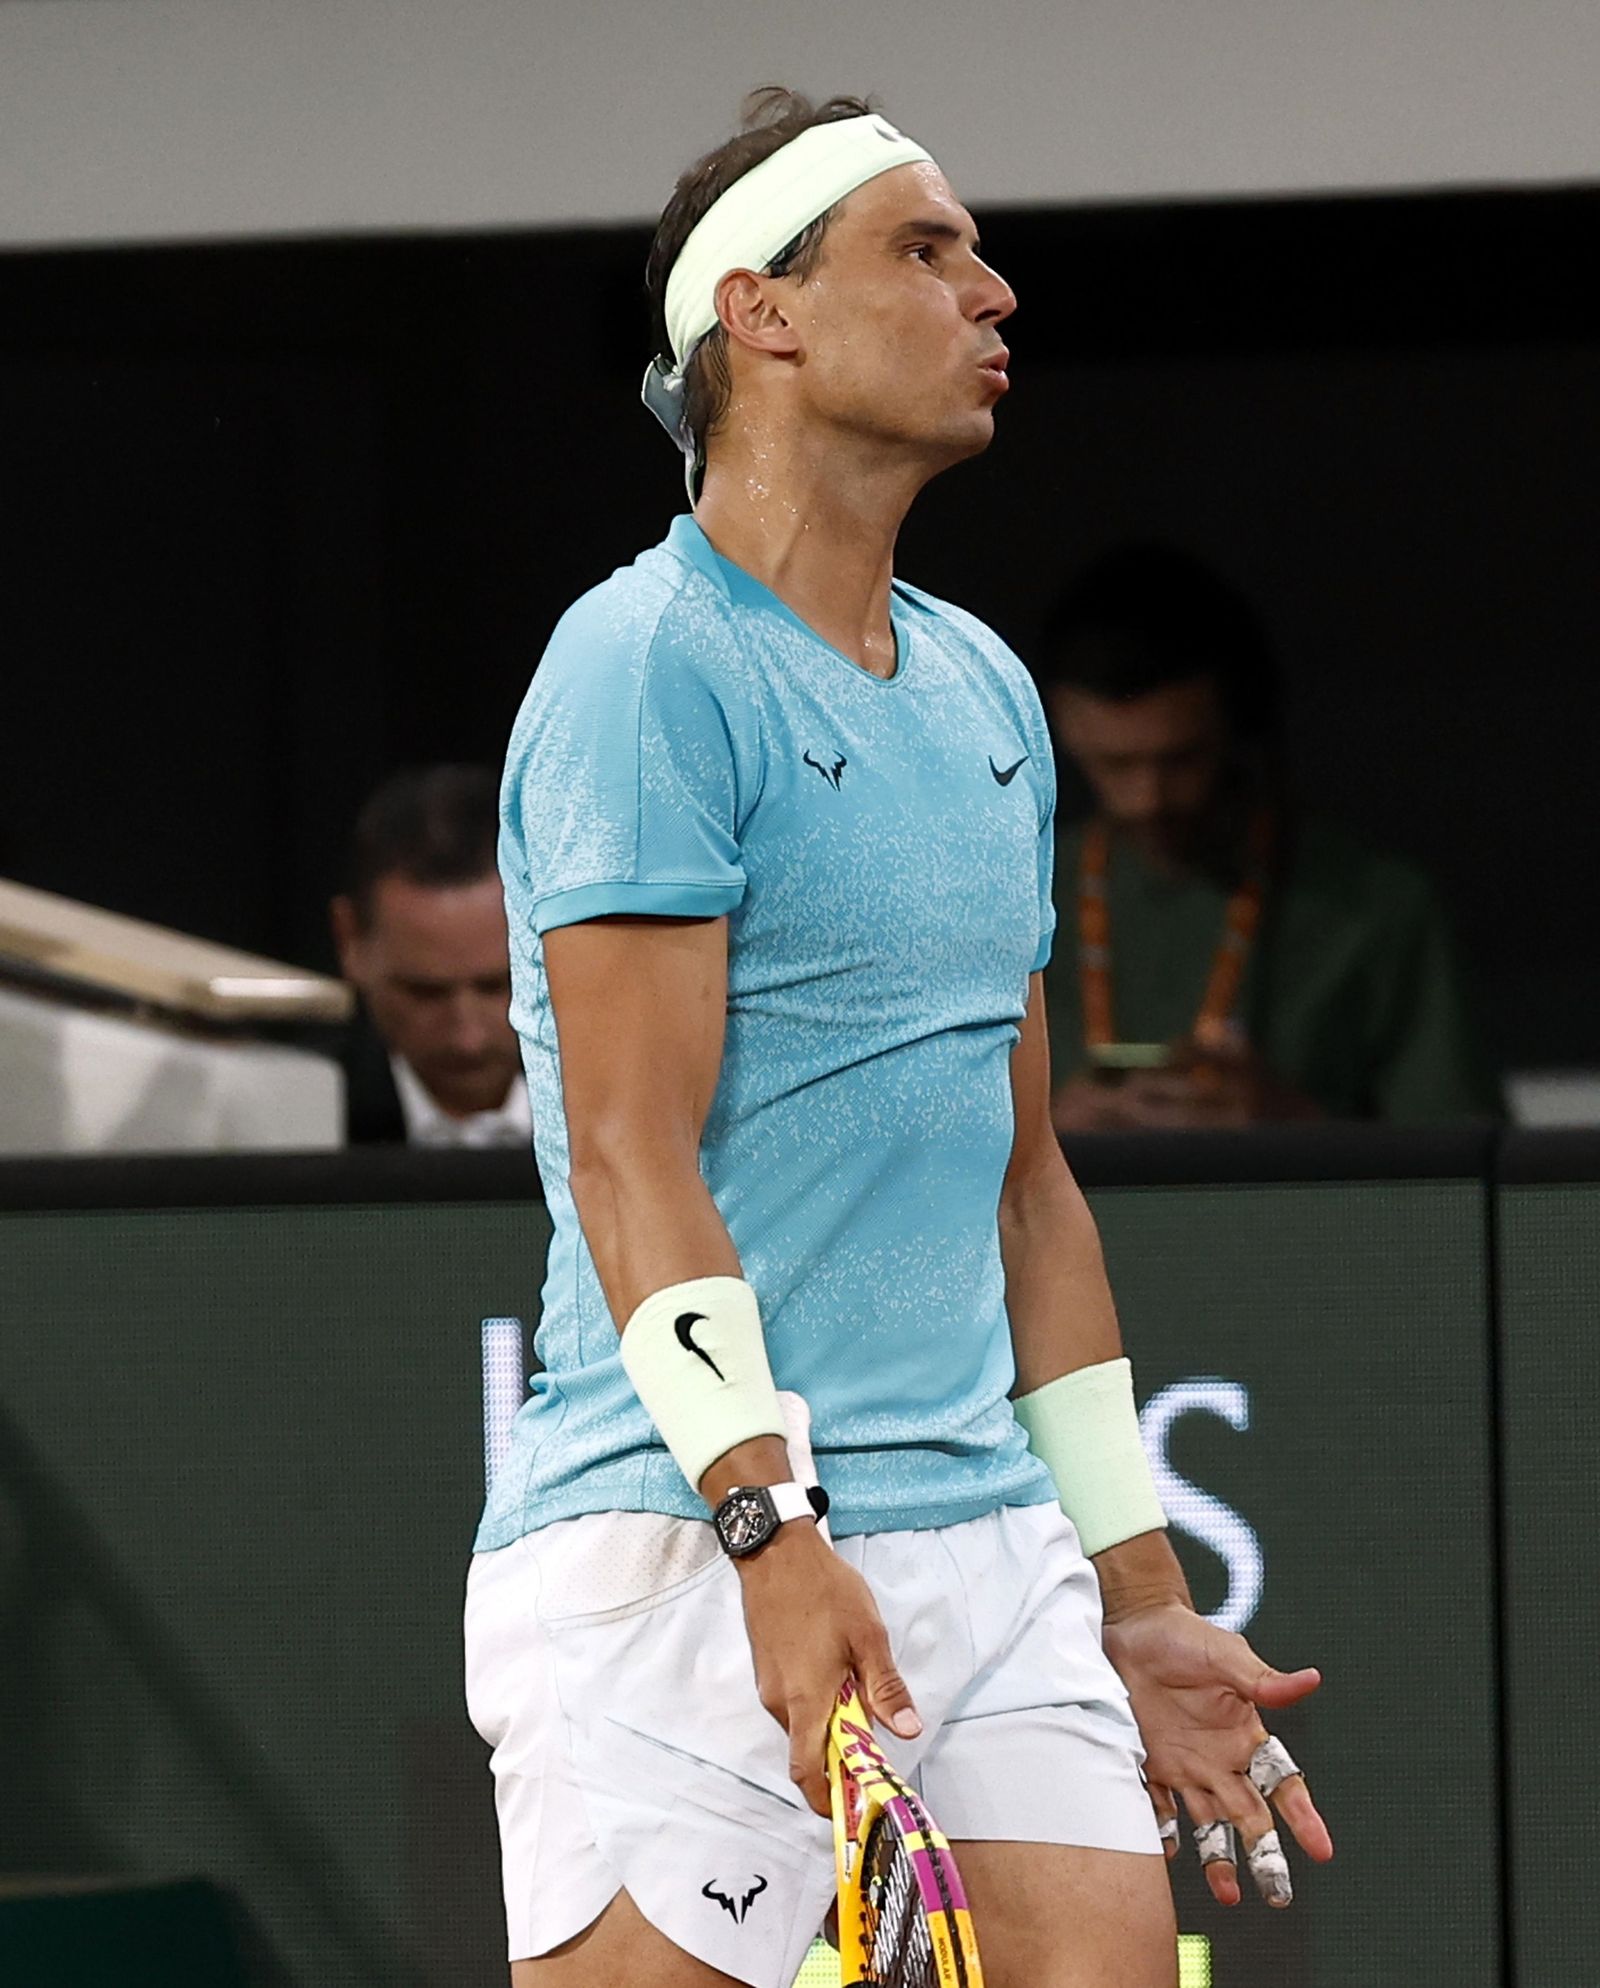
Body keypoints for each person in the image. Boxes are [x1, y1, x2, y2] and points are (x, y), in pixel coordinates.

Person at [464, 91, 1333, 1988]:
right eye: (926, 252)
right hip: (683, 1538)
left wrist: (1141, 1587)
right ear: (760, 314)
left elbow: (1028, 1188)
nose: (993, 291)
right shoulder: (643, 670)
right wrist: (773, 1535)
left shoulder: (985, 688)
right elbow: (631, 1151)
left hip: (986, 1543)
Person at [1039, 544, 1498, 1131]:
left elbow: (1464, 1176)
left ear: (1237, 726)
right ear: (1060, 729)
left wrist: (1295, 1131)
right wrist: (1041, 1143)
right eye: (1114, 764)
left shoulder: (1374, 911)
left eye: (1181, 761)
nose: (1147, 799)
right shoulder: (1014, 896)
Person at [329, 765, 528, 1147]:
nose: (467, 1038)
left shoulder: (649, 1101)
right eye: (424, 993)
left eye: (498, 987)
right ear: (349, 941)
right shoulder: (291, 1119)